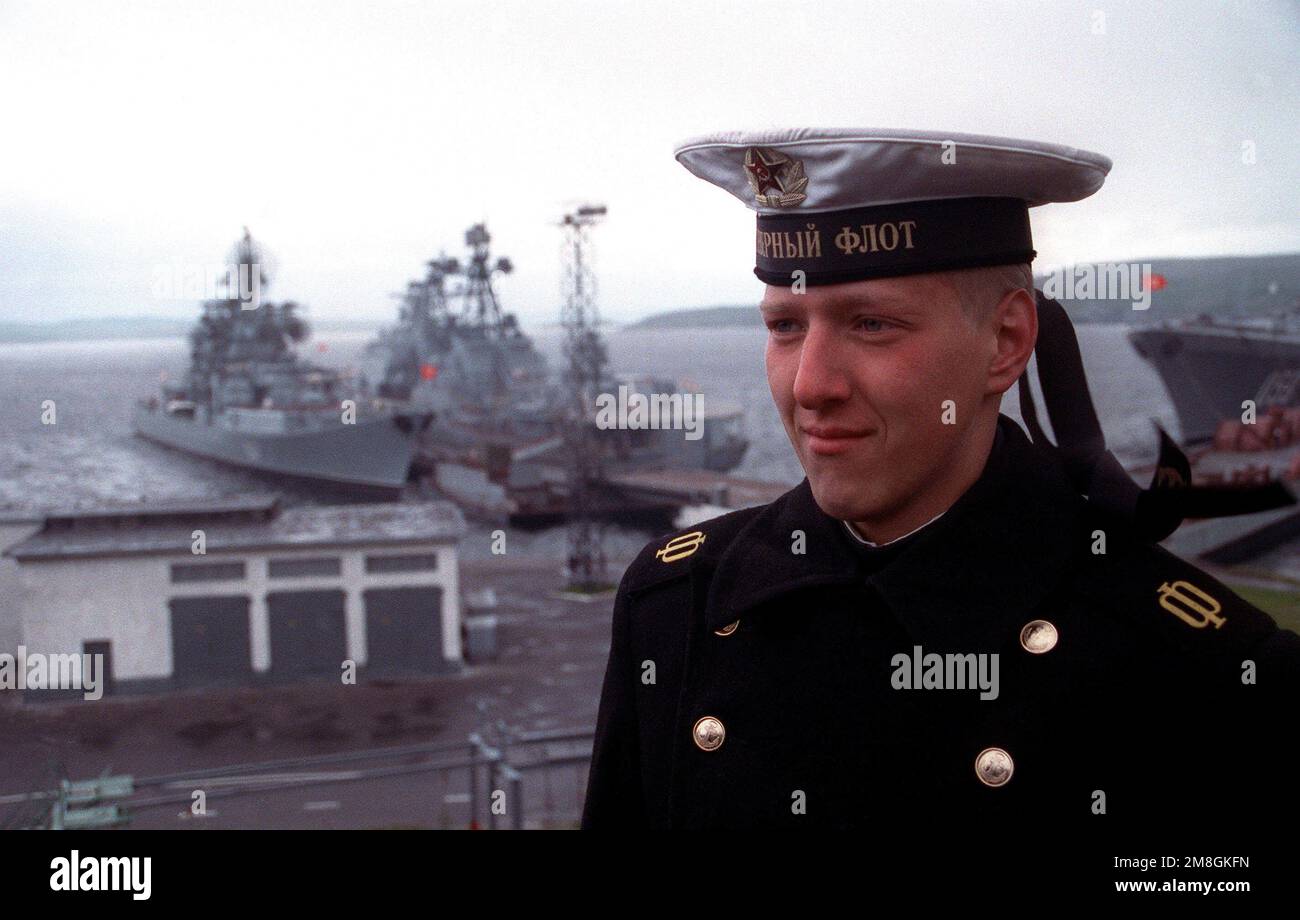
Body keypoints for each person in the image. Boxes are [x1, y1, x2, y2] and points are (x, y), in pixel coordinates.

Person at [580, 128, 1299, 830]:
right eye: (786, 327)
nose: (810, 385)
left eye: (870, 325)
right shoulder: (673, 607)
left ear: (1006, 342)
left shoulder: (1198, 674)